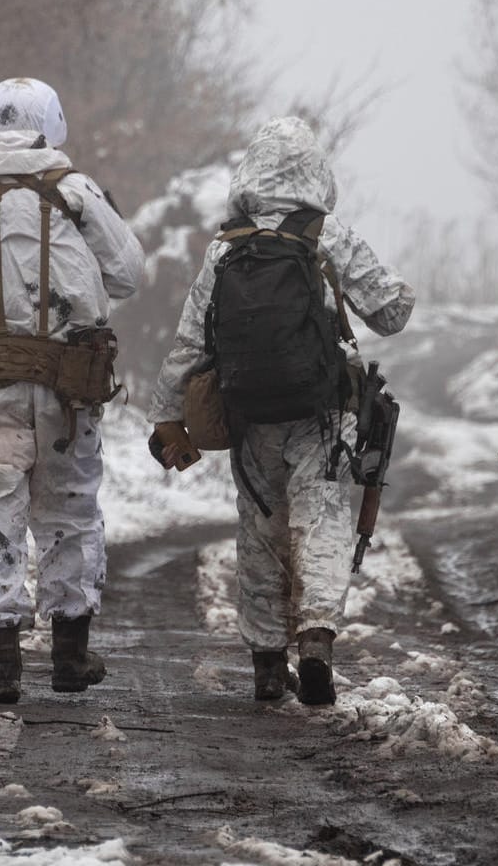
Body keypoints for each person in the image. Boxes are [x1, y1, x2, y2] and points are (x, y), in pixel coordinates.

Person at [146, 116, 414, 705]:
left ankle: (268, 664)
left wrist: (167, 417)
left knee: (260, 530)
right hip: (320, 412)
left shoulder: (225, 249)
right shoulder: (327, 236)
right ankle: (316, 639)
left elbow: (190, 345)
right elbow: (394, 312)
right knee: (319, 518)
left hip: (248, 414)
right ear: (315, 172)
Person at [0, 77, 145, 704]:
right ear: (54, 123)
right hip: (70, 389)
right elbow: (128, 275)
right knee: (70, 514)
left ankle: (1, 666)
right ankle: (70, 657)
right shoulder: (78, 194)